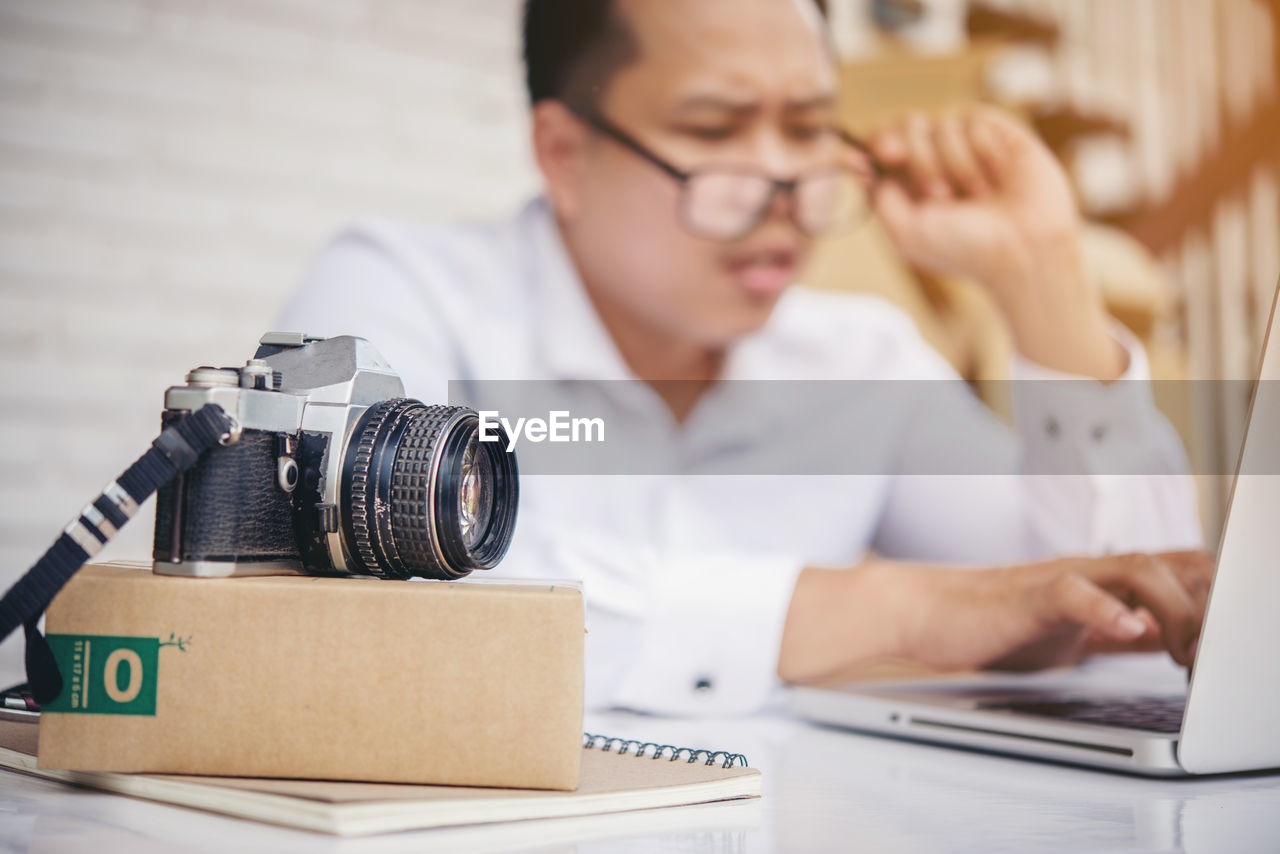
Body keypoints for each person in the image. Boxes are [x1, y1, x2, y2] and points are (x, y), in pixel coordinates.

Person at [278, 0, 1211, 715]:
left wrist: (1040, 278)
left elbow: (1115, 616)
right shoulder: (400, 293)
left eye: (808, 130)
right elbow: (342, 612)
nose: (783, 190)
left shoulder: (860, 355)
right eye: (716, 132)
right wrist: (897, 609)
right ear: (564, 155)